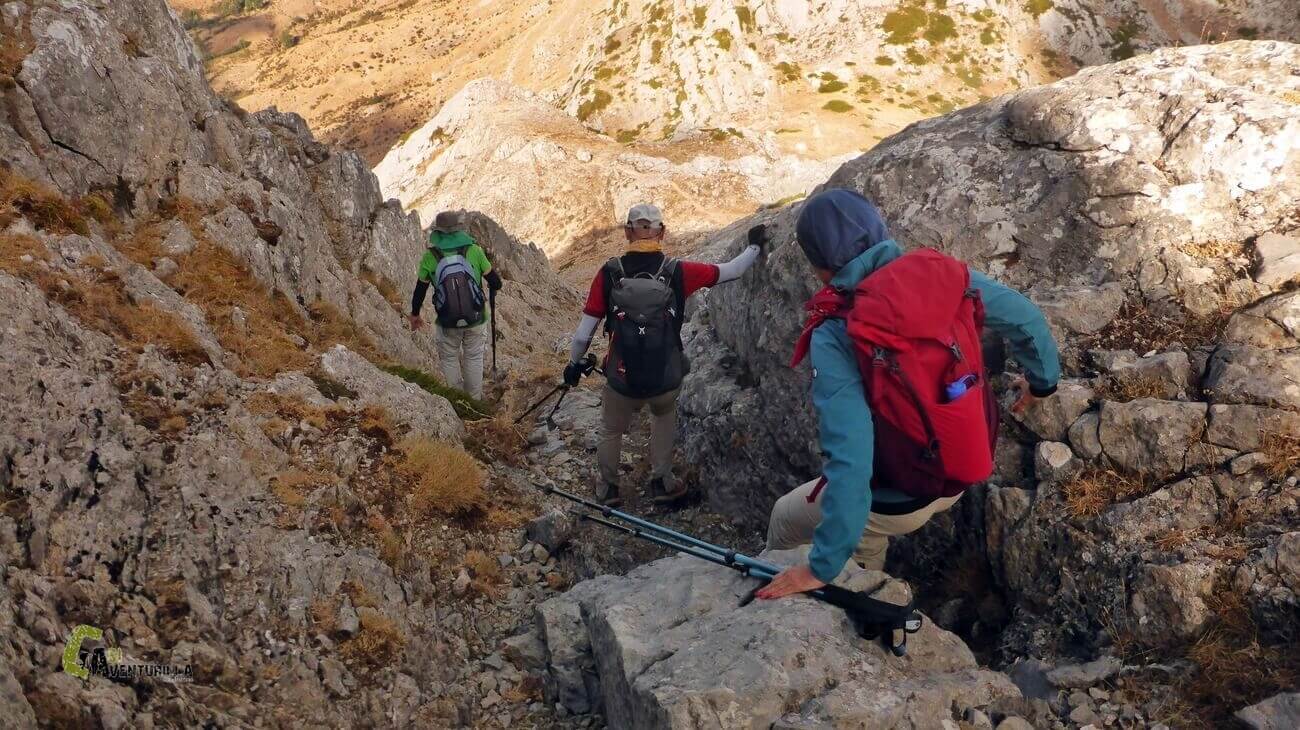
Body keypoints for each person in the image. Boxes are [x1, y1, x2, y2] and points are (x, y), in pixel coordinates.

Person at [756, 189, 1061, 600]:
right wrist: (1042, 384)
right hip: (963, 469)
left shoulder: (837, 333)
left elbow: (851, 460)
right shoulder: (945, 275)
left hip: (898, 501)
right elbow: (1026, 319)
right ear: (881, 232)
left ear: (820, 269)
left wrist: (819, 567)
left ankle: (862, 591)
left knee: (786, 518)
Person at [566, 203, 766, 507]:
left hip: (621, 377)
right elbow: (733, 271)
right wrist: (753, 245)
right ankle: (662, 481)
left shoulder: (609, 273)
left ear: (627, 232)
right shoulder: (679, 272)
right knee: (663, 418)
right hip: (665, 376)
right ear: (662, 232)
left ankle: (609, 489)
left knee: (611, 428)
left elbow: (583, 335)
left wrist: (572, 364)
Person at [409, 211, 502, 401]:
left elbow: (420, 290)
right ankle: (474, 401)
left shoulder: (431, 256)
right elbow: (496, 282)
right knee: (473, 356)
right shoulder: (474, 250)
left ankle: (459, 401)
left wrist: (415, 314)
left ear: (439, 233)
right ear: (458, 229)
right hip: (476, 317)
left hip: (447, 320)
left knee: (450, 357)